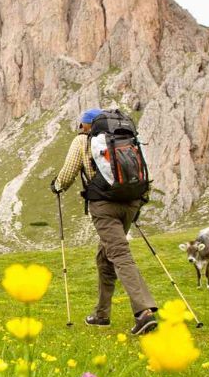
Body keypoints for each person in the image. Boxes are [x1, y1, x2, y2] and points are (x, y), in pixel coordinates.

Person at [51, 108, 158, 336]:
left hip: (104, 205)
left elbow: (69, 172)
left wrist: (57, 186)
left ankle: (143, 313)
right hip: (131, 202)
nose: (81, 129)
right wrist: (140, 201)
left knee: (119, 253)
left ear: (87, 125)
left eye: (81, 126)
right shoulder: (128, 138)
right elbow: (144, 172)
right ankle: (101, 314)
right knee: (105, 256)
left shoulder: (83, 141)